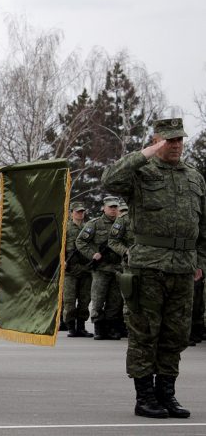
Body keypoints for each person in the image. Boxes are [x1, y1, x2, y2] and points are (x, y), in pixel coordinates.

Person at [102, 117, 202, 419]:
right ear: (157, 141)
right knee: (145, 334)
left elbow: (205, 226)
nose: (175, 145)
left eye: (179, 140)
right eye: (169, 140)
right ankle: (144, 397)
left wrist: (202, 262)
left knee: (176, 335)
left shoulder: (195, 177)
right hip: (148, 267)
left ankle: (166, 394)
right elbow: (109, 180)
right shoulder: (141, 173)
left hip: (184, 268)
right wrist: (144, 153)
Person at [76, 196, 123, 340]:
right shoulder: (95, 224)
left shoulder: (123, 224)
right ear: (104, 207)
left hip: (118, 268)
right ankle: (98, 328)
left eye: (115, 207)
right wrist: (92, 254)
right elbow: (81, 241)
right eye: (111, 207)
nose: (113, 210)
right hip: (101, 268)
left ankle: (110, 328)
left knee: (115, 301)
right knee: (98, 299)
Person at [63, 201, 93, 338]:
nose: (80, 214)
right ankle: (70, 327)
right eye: (77, 212)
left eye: (82, 212)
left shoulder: (89, 227)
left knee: (84, 299)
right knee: (69, 299)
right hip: (70, 269)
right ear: (71, 213)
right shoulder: (65, 227)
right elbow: (59, 246)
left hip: (86, 268)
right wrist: (62, 260)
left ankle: (81, 327)